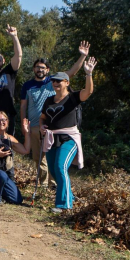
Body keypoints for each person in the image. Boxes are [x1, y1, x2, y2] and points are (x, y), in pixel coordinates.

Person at [19, 42, 90, 188]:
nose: (40, 70)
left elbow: (71, 73)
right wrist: (23, 123)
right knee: (38, 157)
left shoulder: (53, 82)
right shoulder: (27, 85)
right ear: (33, 69)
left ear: (48, 70)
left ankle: (53, 185)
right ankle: (43, 185)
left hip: (53, 128)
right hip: (34, 126)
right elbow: (23, 105)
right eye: (37, 67)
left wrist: (83, 56)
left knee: (54, 156)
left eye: (43, 67)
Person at [40, 58, 97, 212]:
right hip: (52, 139)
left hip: (68, 139)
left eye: (59, 81)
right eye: (53, 81)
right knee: (53, 170)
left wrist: (89, 74)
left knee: (60, 167)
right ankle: (69, 197)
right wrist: (41, 126)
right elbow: (43, 117)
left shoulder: (73, 98)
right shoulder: (49, 100)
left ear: (67, 82)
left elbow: (88, 92)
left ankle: (63, 205)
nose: (55, 83)